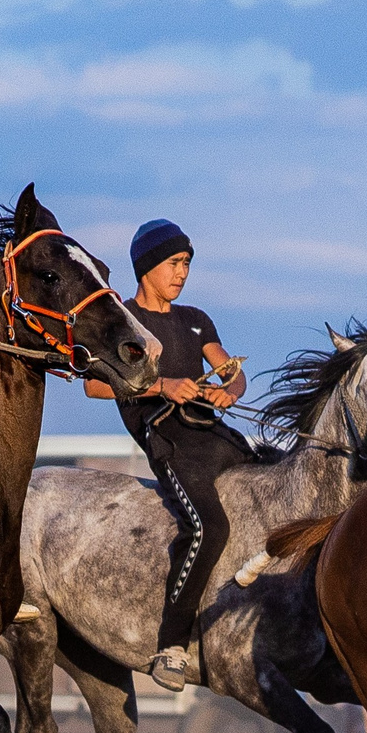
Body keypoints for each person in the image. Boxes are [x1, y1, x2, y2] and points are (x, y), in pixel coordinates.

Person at [82, 218, 251, 692]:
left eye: (187, 265)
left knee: (279, 476)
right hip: (168, 440)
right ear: (148, 266)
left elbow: (231, 371)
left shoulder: (195, 319)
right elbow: (95, 385)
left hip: (210, 431)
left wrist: (229, 391)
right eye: (174, 263)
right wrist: (161, 386)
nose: (182, 273)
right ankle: (171, 646)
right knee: (208, 524)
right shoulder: (122, 320)